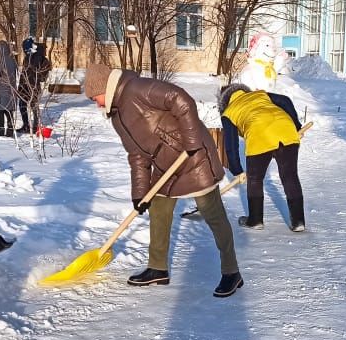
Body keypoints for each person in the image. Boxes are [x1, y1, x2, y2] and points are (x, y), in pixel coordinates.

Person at [83, 63, 243, 298]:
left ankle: (231, 272)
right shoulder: (117, 115)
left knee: (213, 214)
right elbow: (137, 154)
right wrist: (139, 192)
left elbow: (181, 100)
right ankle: (157, 268)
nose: (96, 103)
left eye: (94, 97)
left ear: (104, 88)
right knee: (158, 211)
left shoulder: (137, 88)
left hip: (193, 157)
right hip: (165, 166)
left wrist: (190, 142)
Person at [217, 83, 307, 232]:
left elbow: (231, 144)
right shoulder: (260, 95)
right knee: (290, 176)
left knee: (255, 179)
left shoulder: (228, 112)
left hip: (260, 137)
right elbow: (284, 100)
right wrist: (296, 125)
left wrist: (237, 170)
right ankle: (298, 222)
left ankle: (255, 220)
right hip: (286, 130)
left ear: (224, 102)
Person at [17, 42, 50, 133]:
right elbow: (43, 78)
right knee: (34, 106)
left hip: (25, 85)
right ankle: (35, 126)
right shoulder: (45, 60)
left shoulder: (29, 57)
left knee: (22, 105)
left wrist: (21, 86)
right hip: (34, 86)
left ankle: (27, 125)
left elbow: (24, 73)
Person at [0, 40, 18, 138]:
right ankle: (10, 131)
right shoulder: (12, 59)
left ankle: (1, 130)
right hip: (12, 88)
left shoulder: (1, 60)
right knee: (9, 110)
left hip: (2, 89)